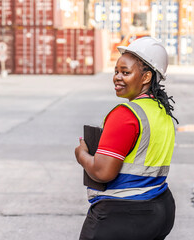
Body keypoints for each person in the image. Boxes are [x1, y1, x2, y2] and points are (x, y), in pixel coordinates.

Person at [75, 37, 178, 240]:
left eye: (126, 72)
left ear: (146, 77)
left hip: (123, 214)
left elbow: (103, 172)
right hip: (160, 208)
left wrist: (82, 155)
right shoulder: (162, 112)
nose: (117, 78)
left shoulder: (126, 114)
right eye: (116, 71)